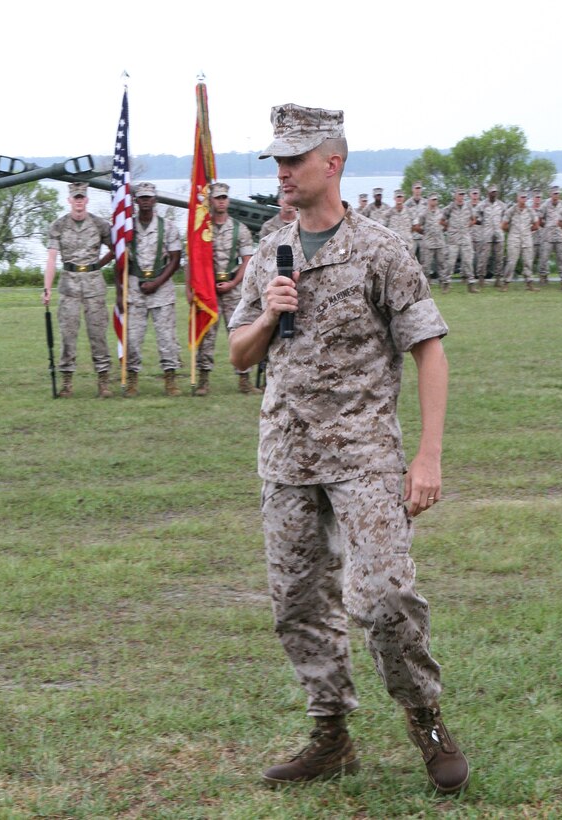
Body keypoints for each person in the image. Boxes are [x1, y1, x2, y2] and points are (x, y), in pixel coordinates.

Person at [229, 102, 469, 795]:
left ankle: (425, 719)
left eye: (294, 160)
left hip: (363, 456)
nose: (281, 171)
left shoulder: (380, 250)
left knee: (385, 597)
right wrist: (270, 313)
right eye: (275, 159)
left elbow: (429, 349)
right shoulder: (267, 251)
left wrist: (427, 457)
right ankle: (330, 733)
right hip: (286, 457)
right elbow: (240, 357)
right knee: (299, 604)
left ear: (332, 163)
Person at [42, 182, 114, 398]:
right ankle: (66, 383)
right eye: (76, 197)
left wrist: (98, 265)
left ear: (87, 199)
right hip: (69, 286)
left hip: (94, 285)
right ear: (69, 200)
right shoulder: (58, 226)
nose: (79, 200)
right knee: (68, 336)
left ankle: (103, 382)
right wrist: (46, 288)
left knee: (98, 334)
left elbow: (116, 250)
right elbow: (52, 259)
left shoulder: (100, 225)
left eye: (82, 197)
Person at [189, 182, 257, 395]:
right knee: (207, 333)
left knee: (239, 333)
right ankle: (203, 379)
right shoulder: (202, 228)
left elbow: (248, 261)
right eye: (217, 197)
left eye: (224, 197)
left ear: (228, 200)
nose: (221, 201)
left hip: (232, 288)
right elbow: (192, 259)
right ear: (210, 200)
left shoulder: (239, 229)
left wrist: (233, 283)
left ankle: (244, 379)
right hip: (207, 289)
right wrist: (191, 289)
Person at [116, 182, 182, 397]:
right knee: (133, 339)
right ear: (135, 201)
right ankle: (132, 379)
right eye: (141, 197)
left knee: (166, 338)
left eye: (149, 197)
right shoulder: (126, 228)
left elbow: (175, 260)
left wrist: (157, 282)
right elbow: (120, 261)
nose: (145, 201)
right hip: (134, 288)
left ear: (155, 201)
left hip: (161, 289)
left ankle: (170, 380)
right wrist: (120, 292)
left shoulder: (169, 227)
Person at [500, 191, 540, 291]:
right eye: (522, 197)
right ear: (517, 198)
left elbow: (536, 225)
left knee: (528, 262)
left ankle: (529, 284)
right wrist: (512, 231)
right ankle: (505, 284)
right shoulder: (511, 210)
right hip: (514, 239)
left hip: (527, 239)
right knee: (511, 262)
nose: (523, 199)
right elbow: (503, 225)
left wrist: (527, 231)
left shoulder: (530, 210)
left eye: (525, 197)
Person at [441, 189, 478, 292]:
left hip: (465, 238)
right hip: (453, 239)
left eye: (463, 195)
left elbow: (474, 219)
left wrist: (467, 226)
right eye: (459, 195)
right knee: (450, 262)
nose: (461, 197)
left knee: (468, 262)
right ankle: (446, 284)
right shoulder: (450, 208)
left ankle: (471, 285)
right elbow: (442, 221)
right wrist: (450, 228)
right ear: (455, 196)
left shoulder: (468, 207)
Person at [475, 185, 506, 287]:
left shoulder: (502, 205)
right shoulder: (482, 205)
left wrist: (501, 227)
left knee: (499, 258)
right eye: (492, 192)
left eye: (495, 192)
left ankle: (498, 279)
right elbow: (477, 219)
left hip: (499, 235)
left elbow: (505, 219)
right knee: (483, 258)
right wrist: (484, 225)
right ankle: (481, 278)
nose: (494, 194)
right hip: (486, 235)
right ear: (488, 193)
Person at [417, 193, 448, 290]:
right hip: (428, 244)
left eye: (436, 200)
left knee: (442, 264)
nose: (434, 201)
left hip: (439, 243)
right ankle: (425, 286)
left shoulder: (441, 212)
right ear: (429, 201)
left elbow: (446, 225)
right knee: (426, 265)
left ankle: (443, 283)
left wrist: (441, 231)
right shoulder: (424, 213)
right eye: (432, 200)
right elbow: (418, 226)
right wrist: (425, 234)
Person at [538, 185, 562, 286]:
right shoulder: (545, 205)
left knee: (561, 258)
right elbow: (540, 220)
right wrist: (547, 227)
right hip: (548, 236)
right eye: (554, 194)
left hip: (560, 236)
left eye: (558, 193)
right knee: (544, 258)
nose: (556, 195)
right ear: (551, 194)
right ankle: (543, 276)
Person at [385, 189, 415, 255]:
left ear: (403, 198)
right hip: (394, 245)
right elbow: (383, 228)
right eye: (397, 197)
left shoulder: (410, 212)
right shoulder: (388, 213)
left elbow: (415, 226)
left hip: (408, 245)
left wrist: (407, 234)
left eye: (400, 197)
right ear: (394, 198)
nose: (399, 199)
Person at [404, 181, 427, 261]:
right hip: (411, 238)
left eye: (419, 188)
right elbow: (404, 220)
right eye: (416, 188)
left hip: (423, 237)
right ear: (412, 190)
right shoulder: (407, 204)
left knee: (423, 261)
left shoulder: (426, 203)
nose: (418, 190)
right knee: (410, 260)